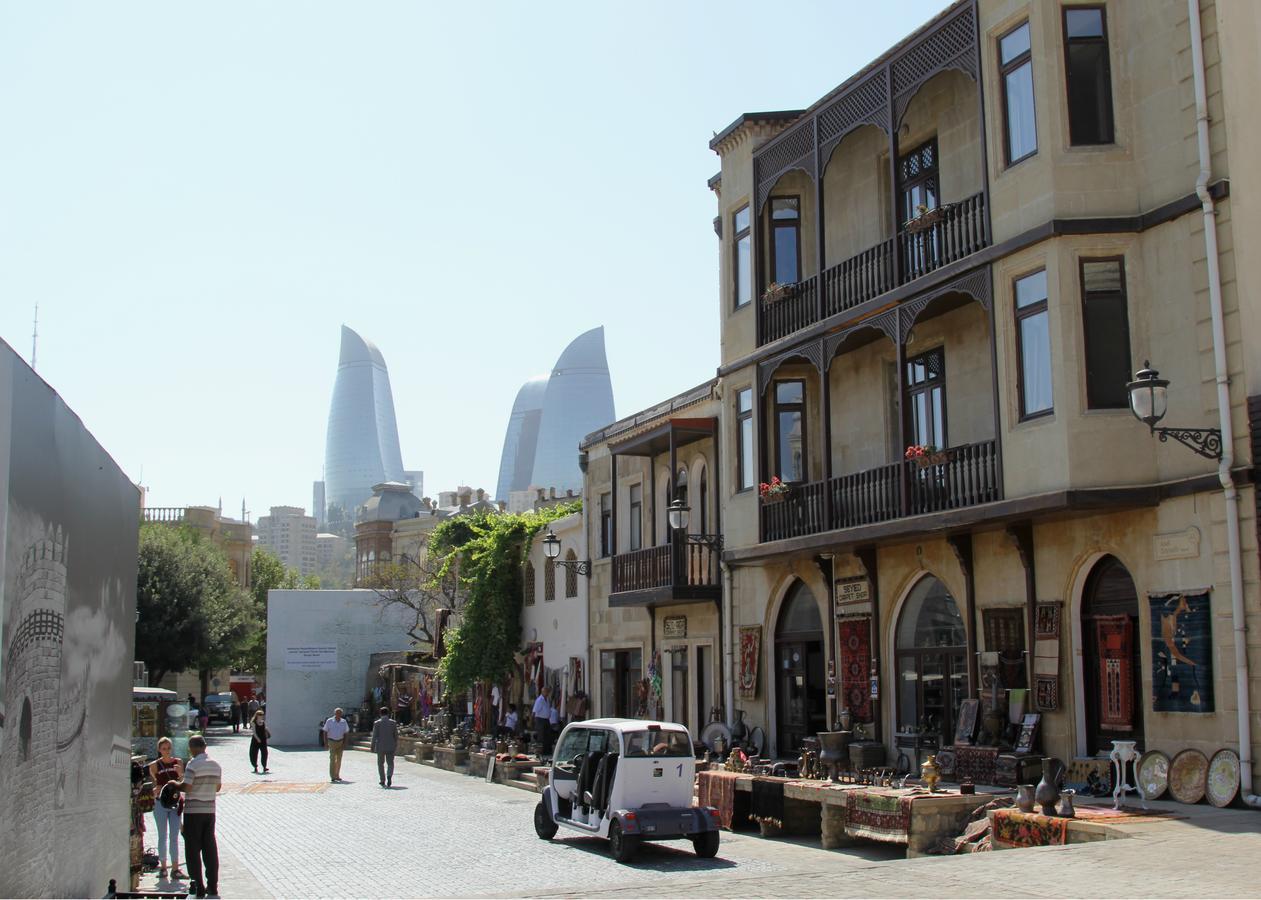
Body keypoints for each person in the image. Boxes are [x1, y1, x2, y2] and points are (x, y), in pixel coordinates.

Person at [175, 734, 222, 900]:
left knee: (193, 850)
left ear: (194, 747)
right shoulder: (216, 765)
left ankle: (198, 886)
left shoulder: (193, 764)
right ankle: (213, 887)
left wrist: (175, 784)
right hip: (210, 811)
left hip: (193, 812)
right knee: (210, 847)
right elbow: (217, 788)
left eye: (190, 747)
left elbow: (186, 787)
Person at [148, 737, 184, 880]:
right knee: (162, 835)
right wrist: (154, 789)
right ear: (159, 750)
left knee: (174, 836)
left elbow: (182, 782)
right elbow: (152, 785)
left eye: (168, 748)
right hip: (161, 803)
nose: (167, 751)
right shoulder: (155, 765)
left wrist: (180, 773)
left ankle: (175, 868)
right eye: (163, 749)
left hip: (175, 803)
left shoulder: (178, 762)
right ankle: (163, 867)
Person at [371, 706, 399, 788]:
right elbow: (396, 735)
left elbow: (374, 735)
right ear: (388, 713)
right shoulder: (393, 723)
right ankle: (389, 775)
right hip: (390, 746)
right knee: (390, 763)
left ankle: (382, 780)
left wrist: (372, 746)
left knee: (380, 764)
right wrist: (395, 744)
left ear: (380, 713)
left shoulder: (377, 723)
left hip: (380, 746)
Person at [322, 707, 351, 782]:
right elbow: (325, 731)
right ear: (334, 713)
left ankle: (337, 775)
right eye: (337, 713)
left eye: (340, 713)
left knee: (339, 759)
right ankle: (332, 776)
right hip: (331, 741)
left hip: (340, 742)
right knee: (332, 759)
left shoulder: (343, 722)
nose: (338, 714)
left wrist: (345, 743)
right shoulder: (329, 721)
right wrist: (325, 743)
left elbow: (346, 733)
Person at [249, 709, 270, 774]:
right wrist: (257, 739)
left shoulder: (263, 722)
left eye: (262, 715)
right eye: (260, 715)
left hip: (263, 739)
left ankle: (264, 766)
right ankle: (255, 766)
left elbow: (264, 729)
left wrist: (267, 731)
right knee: (253, 753)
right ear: (257, 715)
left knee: (265, 753)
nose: (261, 716)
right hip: (256, 740)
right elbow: (254, 732)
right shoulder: (253, 722)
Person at [531, 688, 550, 753]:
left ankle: (546, 750)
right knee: (541, 735)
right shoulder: (539, 700)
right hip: (540, 719)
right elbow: (534, 711)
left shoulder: (547, 699)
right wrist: (532, 721)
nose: (547, 693)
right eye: (546, 692)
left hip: (546, 719)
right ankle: (540, 751)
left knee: (547, 735)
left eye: (548, 692)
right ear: (543, 692)